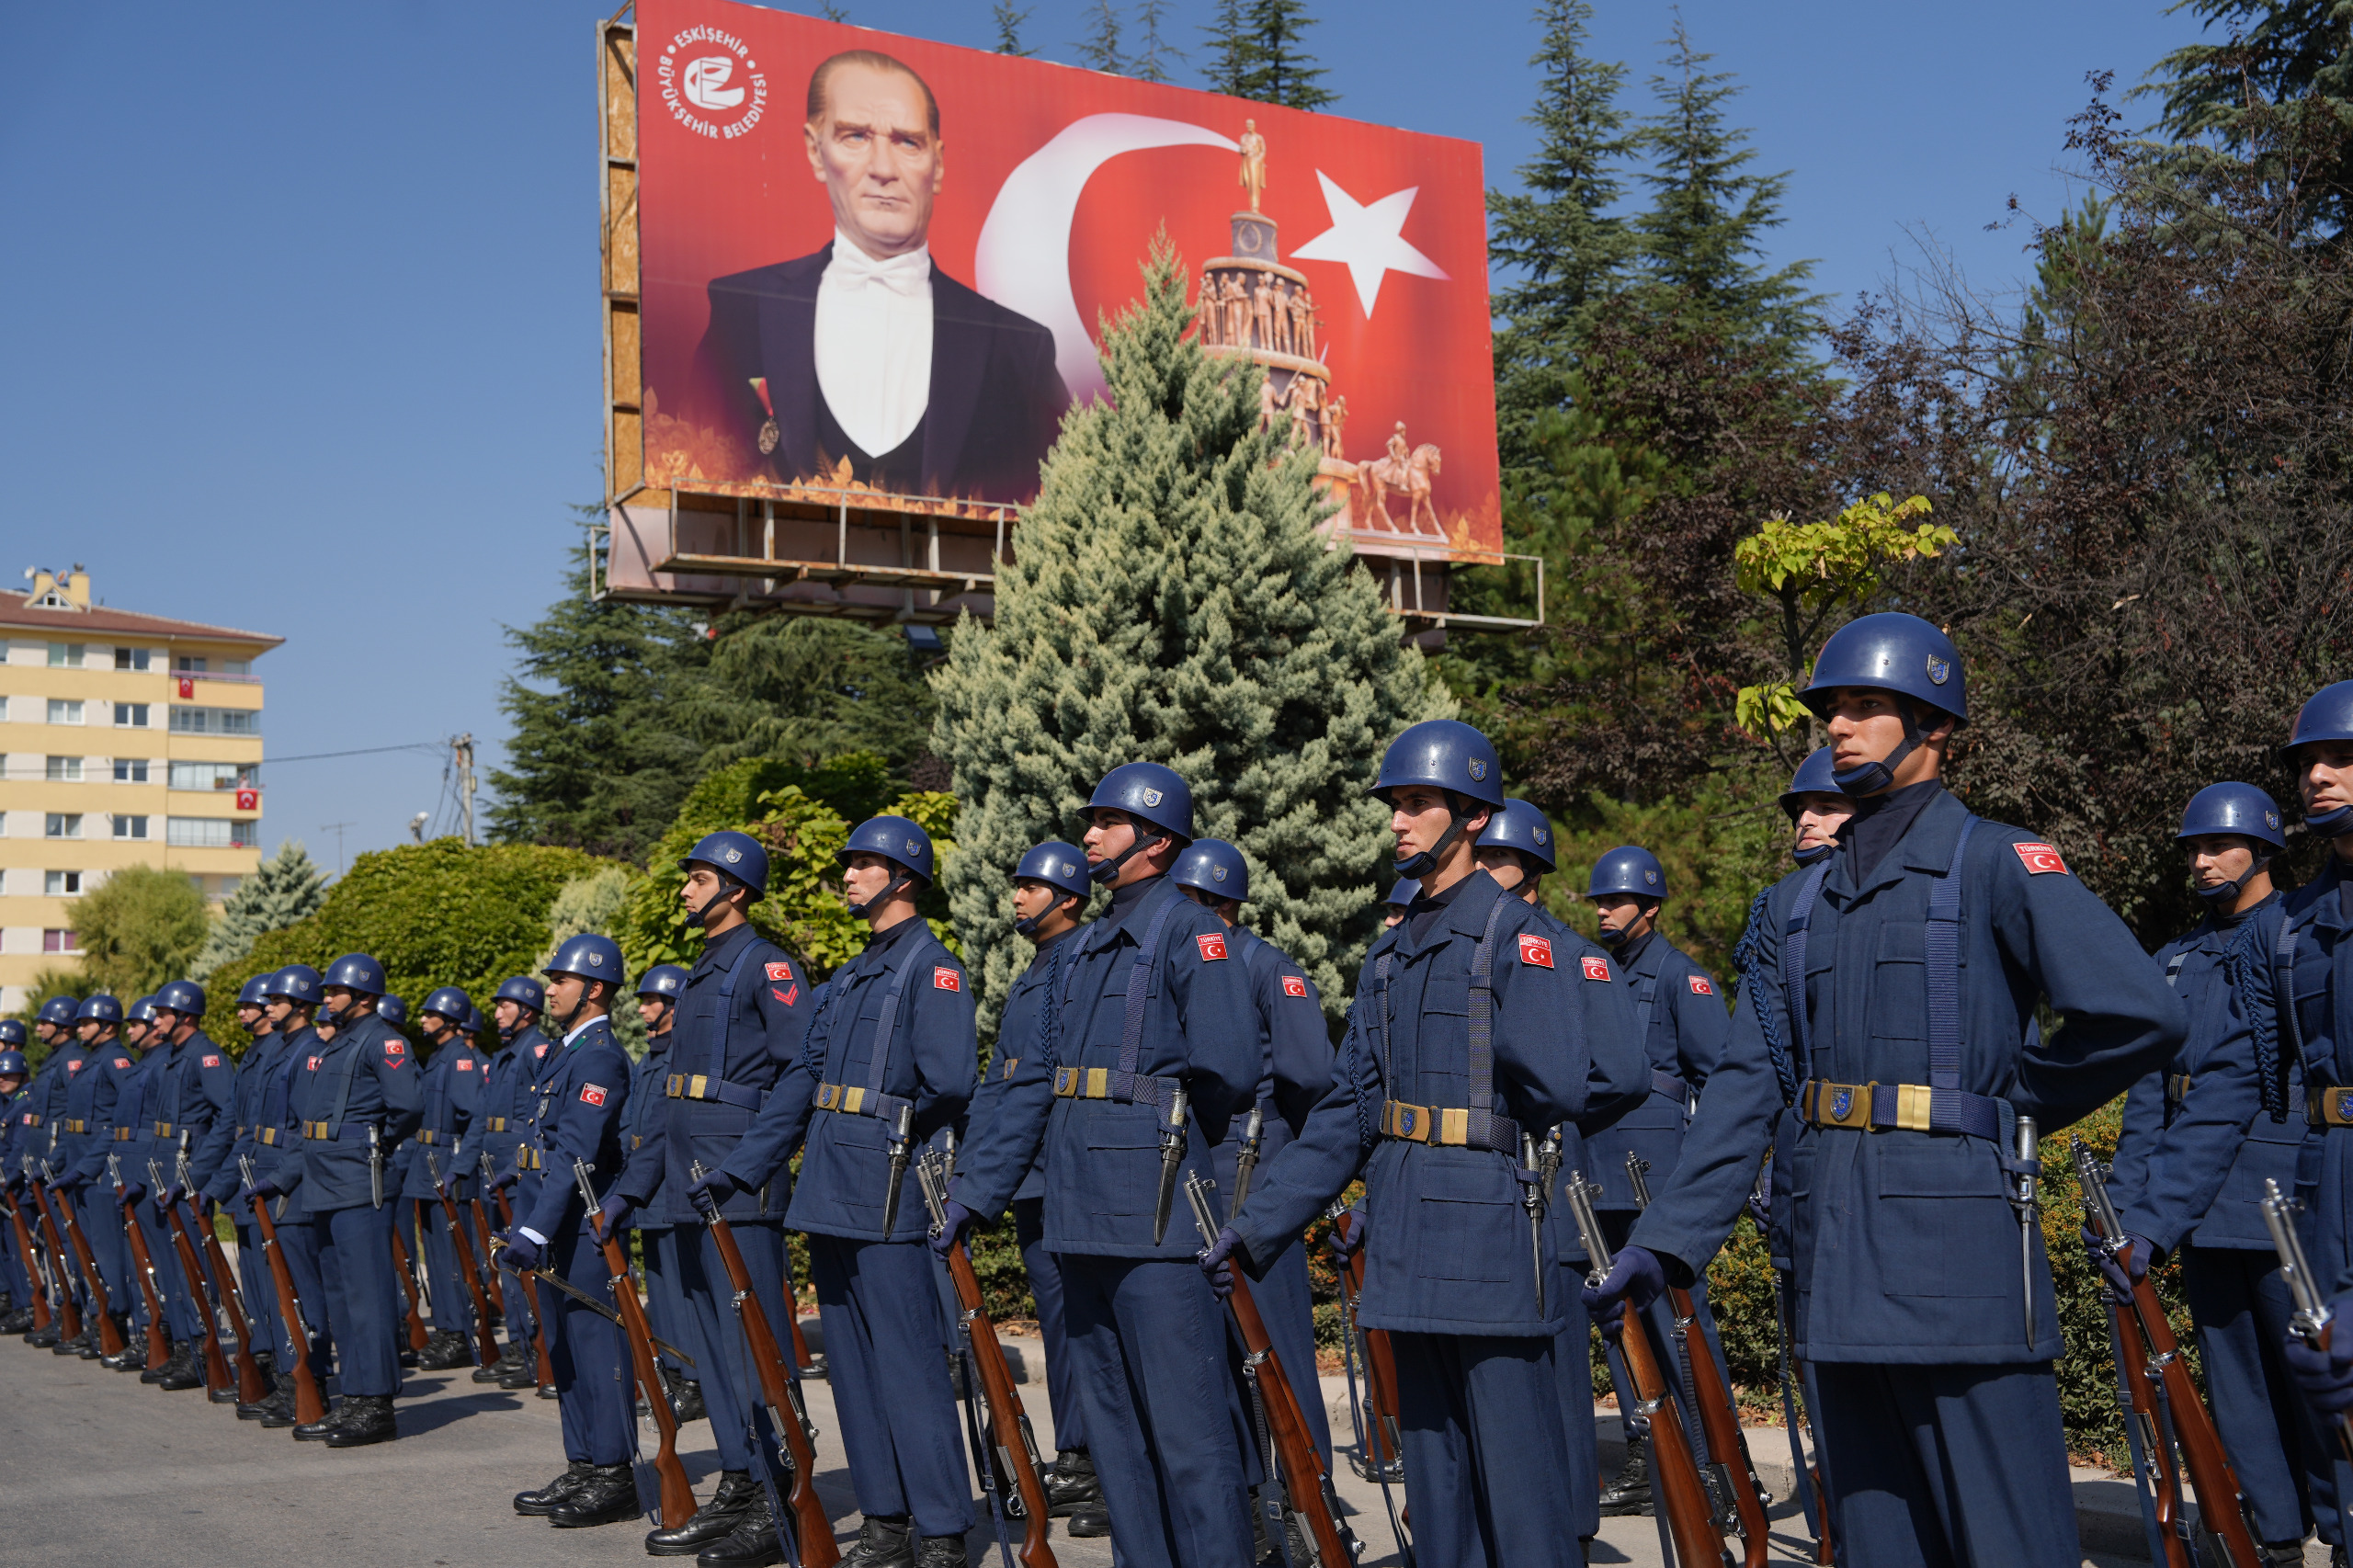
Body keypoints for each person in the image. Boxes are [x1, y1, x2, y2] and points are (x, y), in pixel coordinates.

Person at [1592, 612, 2186, 1567]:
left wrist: (2011, 1098)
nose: (1838, 725)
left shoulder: (1996, 859)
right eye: (1832, 707)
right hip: (1836, 1262)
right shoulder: (1795, 907)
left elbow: (2136, 1014)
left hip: (1962, 1264)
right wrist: (1667, 1239)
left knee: (2007, 1544)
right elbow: (1750, 1080)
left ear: (1934, 725)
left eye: (1866, 705)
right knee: (1874, 1543)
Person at [1208, 726, 1647, 1568]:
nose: (1398, 823)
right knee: (1438, 1493)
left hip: (1492, 1232)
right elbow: (1346, 1115)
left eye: (1417, 804)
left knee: (1519, 1493)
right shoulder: (1388, 955)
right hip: (1409, 1230)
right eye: (1396, 806)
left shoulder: (1522, 939)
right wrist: (1260, 1225)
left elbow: (1561, 1088)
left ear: (1473, 817)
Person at [941, 763, 1259, 1568]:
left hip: (1154, 1221)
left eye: (1108, 823)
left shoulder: (1193, 933)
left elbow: (1226, 1073)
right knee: (1116, 1438)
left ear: (1155, 841)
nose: (1089, 834)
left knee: (1190, 1442)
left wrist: (1166, 1143)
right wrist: (975, 1197)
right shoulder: (1081, 953)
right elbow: (1031, 1091)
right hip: (1080, 1220)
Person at [707, 815, 977, 1567]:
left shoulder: (933, 967)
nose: (848, 878)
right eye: (849, 865)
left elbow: (951, 1082)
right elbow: (801, 1080)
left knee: (910, 1363)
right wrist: (745, 1165)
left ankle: (944, 1527)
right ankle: (887, 1521)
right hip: (832, 1187)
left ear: (904, 877)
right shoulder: (848, 976)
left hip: (888, 1187)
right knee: (854, 1370)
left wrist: (888, 1128)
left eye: (863, 865)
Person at [2099, 782, 2335, 1564]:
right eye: (2192, 849)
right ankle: (2271, 1534)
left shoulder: (2295, 934)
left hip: (2277, 1199)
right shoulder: (2173, 960)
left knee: (2314, 1383)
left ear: (2264, 848)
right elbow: (2147, 1096)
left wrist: (2156, 1217)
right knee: (2235, 1386)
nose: (2201, 862)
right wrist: (2127, 1217)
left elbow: (2233, 1096)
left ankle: (2338, 1530)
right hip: (2194, 1208)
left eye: (2218, 846)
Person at [689, 49, 1068, 503]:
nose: (884, 169)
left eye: (908, 142)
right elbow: (694, 473)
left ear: (939, 164)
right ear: (816, 150)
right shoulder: (741, 309)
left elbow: (1073, 508)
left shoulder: (1019, 349)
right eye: (855, 137)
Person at [616, 829, 813, 1566]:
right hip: (689, 1184)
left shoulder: (768, 966)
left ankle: (782, 1492)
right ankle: (741, 1479)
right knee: (715, 1354)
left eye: (698, 879)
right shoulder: (703, 972)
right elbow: (670, 1101)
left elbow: (800, 1074)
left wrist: (749, 1164)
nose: (686, 890)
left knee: (756, 1349)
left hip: (738, 1185)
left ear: (734, 887)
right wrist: (633, 1192)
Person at [1166, 835, 1335, 1512]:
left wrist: (1286, 1160)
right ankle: (1251, 1500)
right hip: (1195, 1167)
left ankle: (1309, 1503)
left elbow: (1311, 1077)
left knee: (1280, 1347)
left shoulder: (1268, 967)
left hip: (1259, 1166)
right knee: (1214, 1356)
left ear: (1219, 902)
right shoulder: (1181, 962)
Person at [1575, 844, 1734, 1517]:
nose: (1605, 911)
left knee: (1681, 1325)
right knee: (1621, 1327)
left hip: (1658, 1180)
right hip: (1598, 1171)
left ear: (1650, 905)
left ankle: (1717, 1467)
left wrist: (1698, 1174)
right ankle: (1648, 1455)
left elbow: (1724, 1082)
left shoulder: (1681, 978)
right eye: (1600, 901)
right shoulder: (1590, 975)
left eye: (1616, 900)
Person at [1465, 795, 1606, 1547]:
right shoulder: (1466, 940)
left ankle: (1571, 1521)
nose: (1484, 870)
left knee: (1554, 1364)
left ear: (1534, 873)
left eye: (1498, 860)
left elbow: (1614, 1071)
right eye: (1479, 856)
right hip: (1493, 1180)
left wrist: (1546, 1099)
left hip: (1550, 1171)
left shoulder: (1566, 950)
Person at [954, 841, 1102, 1532]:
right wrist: (970, 1172)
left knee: (1081, 1327)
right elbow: (1001, 1080)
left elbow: (1046, 1082)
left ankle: (1091, 1458)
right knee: (1062, 1324)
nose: (1015, 896)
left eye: (1029, 886)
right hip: (1032, 1180)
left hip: (1063, 1176)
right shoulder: (1034, 970)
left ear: (1067, 897)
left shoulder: (1078, 962)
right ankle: (1080, 1455)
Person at [1738, 745, 1856, 1552]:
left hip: (1878, 1197)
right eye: (1796, 810)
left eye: (1822, 805)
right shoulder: (1779, 913)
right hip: (1800, 1192)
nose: (1804, 819)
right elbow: (1750, 1078)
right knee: (1812, 1386)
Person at [504, 934, 640, 1530]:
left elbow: (579, 1152)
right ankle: (583, 1462)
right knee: (561, 1345)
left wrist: (534, 1228)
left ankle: (613, 1474)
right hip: (549, 1216)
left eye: (561, 979)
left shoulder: (601, 1056)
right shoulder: (564, 1051)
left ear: (595, 989)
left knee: (594, 1345)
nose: (550, 988)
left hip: (581, 1222)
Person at [263, 952, 422, 1448]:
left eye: (334, 991)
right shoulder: (341, 1043)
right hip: (324, 1179)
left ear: (364, 996)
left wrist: (374, 1144)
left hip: (358, 1179)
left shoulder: (384, 1041)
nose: (325, 998)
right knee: (340, 1297)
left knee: (367, 1297)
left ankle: (375, 1404)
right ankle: (354, 1396)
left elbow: (408, 1107)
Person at [129, 979, 236, 1392]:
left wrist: (199, 1174)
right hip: (165, 1174)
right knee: (172, 1270)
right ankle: (186, 1350)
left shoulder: (206, 1057)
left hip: (189, 1175)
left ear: (184, 1016)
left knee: (194, 1269)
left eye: (162, 1014)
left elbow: (227, 1116)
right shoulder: (173, 1057)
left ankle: (206, 1353)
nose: (155, 1020)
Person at [241, 965, 334, 1428]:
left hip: (292, 1190)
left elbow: (304, 1134)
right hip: (274, 1182)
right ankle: (288, 1380)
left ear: (300, 1005)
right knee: (283, 1291)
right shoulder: (284, 1051)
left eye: (276, 1001)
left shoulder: (310, 1053)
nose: (267, 1007)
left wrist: (280, 1178)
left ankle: (312, 1382)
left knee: (302, 1293)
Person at [620, 963, 704, 1423]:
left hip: (670, 1183)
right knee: (661, 1287)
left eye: (651, 1000)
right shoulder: (649, 1057)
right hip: (646, 1187)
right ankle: (672, 1371)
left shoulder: (679, 1054)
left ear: (674, 1006)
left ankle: (692, 1377)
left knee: (679, 1288)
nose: (642, 1007)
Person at [206, 973, 289, 1416]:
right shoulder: (254, 1054)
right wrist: (214, 1183)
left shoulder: (282, 1051)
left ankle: (287, 1372)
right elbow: (235, 1127)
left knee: (276, 1284)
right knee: (255, 1283)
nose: (240, 1011)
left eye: (248, 1004)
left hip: (271, 1177)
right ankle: (268, 1365)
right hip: (246, 1174)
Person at [403, 985, 488, 1371]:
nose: (422, 1018)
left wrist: (461, 1168)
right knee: (435, 1255)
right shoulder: (440, 1056)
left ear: (449, 1019)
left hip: (446, 1167)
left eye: (429, 1012)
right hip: (428, 1164)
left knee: (453, 1256)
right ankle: (447, 1329)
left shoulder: (461, 1060)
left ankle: (458, 1333)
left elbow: (476, 1120)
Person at [55, 994, 142, 1364]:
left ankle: (115, 1323)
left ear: (107, 1025)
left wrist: (87, 1166)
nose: (79, 1028)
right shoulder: (91, 1059)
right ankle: (98, 1318)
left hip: (102, 1167)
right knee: (86, 1248)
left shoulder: (116, 1060)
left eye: (86, 1022)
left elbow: (122, 1118)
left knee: (107, 1252)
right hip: (81, 1163)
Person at [477, 975, 553, 1393]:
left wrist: (514, 1165)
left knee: (520, 1262)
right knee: (503, 1259)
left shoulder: (535, 1049)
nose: (497, 1013)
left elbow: (535, 1117)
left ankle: (531, 1350)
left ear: (526, 1009)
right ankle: (519, 1345)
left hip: (518, 1167)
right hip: (498, 1168)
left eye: (504, 1005)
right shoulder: (506, 1054)